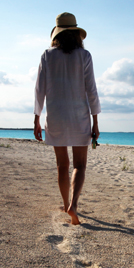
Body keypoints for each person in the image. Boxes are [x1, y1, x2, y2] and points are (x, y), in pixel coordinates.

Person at [34, 12, 101, 225]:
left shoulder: (47, 55)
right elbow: (91, 90)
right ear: (76, 34)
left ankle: (65, 205)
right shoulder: (85, 56)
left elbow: (39, 90)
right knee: (79, 165)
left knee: (62, 164)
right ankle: (74, 205)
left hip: (55, 116)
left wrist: (36, 118)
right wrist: (96, 121)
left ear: (57, 34)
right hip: (79, 116)